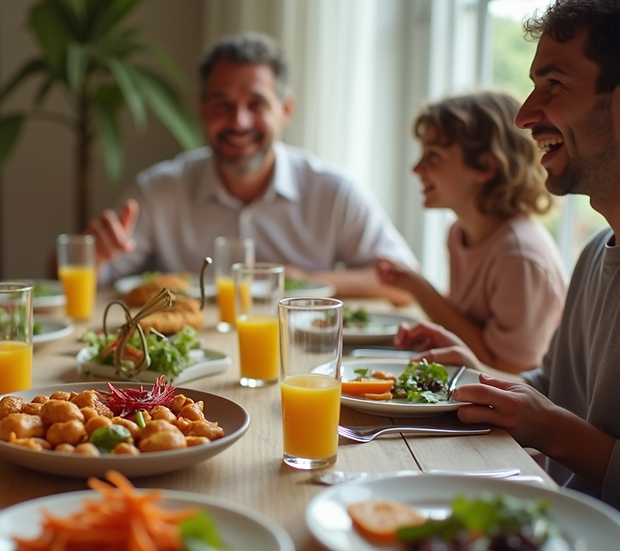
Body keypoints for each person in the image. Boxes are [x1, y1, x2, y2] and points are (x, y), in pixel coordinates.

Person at [399, 0, 620, 508]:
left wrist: (551, 430)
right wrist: (477, 372)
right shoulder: (594, 253)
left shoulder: (523, 249)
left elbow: (552, 418)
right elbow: (552, 388)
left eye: (554, 85)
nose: (524, 115)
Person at [85, 33, 417, 304]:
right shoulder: (159, 190)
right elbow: (80, 276)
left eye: (256, 104)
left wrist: (303, 279)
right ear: (203, 111)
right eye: (223, 105)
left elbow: (405, 281)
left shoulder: (334, 191)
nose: (239, 122)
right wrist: (88, 255)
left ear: (285, 110)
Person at [374, 91, 567, 374]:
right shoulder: (458, 233)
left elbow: (511, 368)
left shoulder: (518, 255)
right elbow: (463, 330)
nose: (417, 168)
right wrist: (412, 284)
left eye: (433, 155)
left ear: (485, 167)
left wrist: (419, 288)